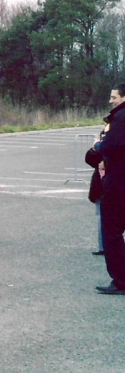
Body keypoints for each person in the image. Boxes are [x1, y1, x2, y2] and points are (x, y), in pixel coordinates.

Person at [93, 84, 125, 295]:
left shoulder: (121, 118)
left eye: (114, 97)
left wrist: (99, 145)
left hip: (118, 182)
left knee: (112, 231)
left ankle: (120, 280)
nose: (111, 101)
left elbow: (113, 146)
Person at [85, 130, 105, 256]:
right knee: (101, 216)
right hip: (101, 184)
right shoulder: (106, 136)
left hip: (113, 183)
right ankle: (103, 246)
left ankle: (107, 246)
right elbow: (91, 160)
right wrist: (94, 148)